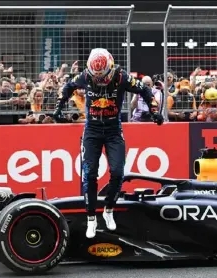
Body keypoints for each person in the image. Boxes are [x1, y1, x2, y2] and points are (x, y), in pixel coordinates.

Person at [53, 48, 164, 238]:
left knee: (118, 172)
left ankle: (109, 209)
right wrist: (59, 107)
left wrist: (154, 112)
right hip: (92, 131)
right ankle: (91, 218)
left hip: (113, 131)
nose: (99, 80)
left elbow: (145, 89)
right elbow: (68, 86)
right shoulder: (86, 76)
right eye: (95, 77)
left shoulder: (121, 77)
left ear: (110, 68)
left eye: (102, 77)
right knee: (89, 174)